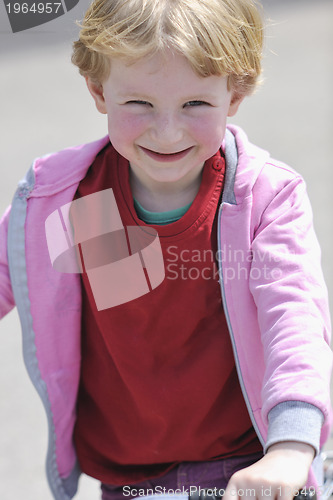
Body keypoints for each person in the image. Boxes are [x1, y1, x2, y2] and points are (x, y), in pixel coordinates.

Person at [0, 0, 331, 499]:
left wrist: (291, 445)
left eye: (196, 104)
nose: (168, 130)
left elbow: (295, 319)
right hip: (127, 477)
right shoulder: (72, 198)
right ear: (98, 90)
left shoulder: (264, 199)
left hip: (249, 469)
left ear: (234, 93)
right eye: (139, 104)